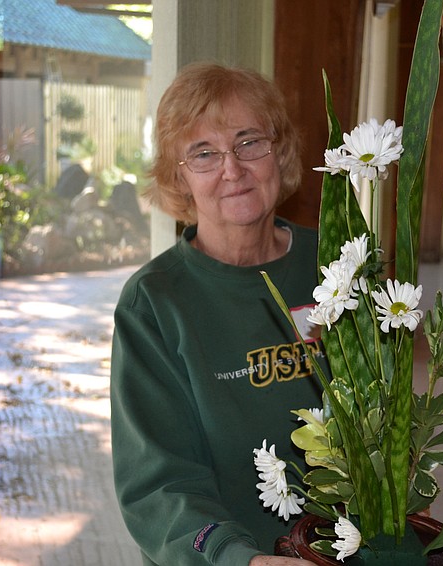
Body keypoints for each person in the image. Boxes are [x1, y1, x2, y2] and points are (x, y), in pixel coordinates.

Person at [110, 62, 324, 566]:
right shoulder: (153, 303)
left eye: (249, 142)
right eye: (204, 153)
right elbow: (159, 485)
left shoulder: (337, 265)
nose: (232, 169)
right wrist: (237, 557)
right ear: (179, 177)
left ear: (280, 152)